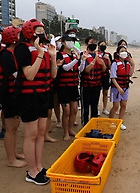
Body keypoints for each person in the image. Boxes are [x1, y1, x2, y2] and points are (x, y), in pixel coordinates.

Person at [14, 19, 57, 185]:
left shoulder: (45, 49)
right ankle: (31, 172)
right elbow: (29, 75)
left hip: (43, 94)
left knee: (40, 132)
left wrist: (52, 57)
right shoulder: (22, 49)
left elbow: (52, 75)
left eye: (42, 30)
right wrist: (40, 54)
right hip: (28, 96)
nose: (41, 33)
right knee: (31, 134)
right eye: (37, 30)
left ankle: (38, 166)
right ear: (29, 32)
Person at [0, 26, 27, 168]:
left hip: (14, 94)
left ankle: (14, 152)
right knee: (10, 128)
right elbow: (14, 74)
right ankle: (11, 159)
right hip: (8, 95)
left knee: (15, 126)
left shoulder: (12, 52)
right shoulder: (6, 55)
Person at [57, 35, 80, 141]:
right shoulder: (60, 55)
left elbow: (80, 68)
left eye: (72, 41)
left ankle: (71, 129)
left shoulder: (74, 54)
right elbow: (65, 68)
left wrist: (81, 59)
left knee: (74, 110)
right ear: (63, 42)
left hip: (74, 86)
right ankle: (65, 132)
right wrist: (76, 59)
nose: (71, 43)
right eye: (69, 41)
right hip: (64, 87)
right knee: (66, 111)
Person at [81, 43, 106, 125]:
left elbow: (103, 70)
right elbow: (86, 70)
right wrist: (94, 60)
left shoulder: (100, 55)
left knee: (94, 106)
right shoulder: (84, 55)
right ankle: (85, 124)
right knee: (86, 107)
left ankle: (94, 124)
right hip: (86, 85)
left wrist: (103, 64)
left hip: (97, 85)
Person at [109, 45, 133, 130]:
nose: (124, 53)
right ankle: (110, 121)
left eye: (125, 51)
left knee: (124, 105)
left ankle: (121, 121)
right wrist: (119, 88)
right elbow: (113, 77)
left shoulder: (127, 63)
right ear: (118, 54)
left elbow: (130, 74)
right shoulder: (115, 63)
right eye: (122, 51)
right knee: (116, 106)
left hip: (125, 87)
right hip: (116, 88)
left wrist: (132, 63)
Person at [97, 40, 112, 116]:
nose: (103, 46)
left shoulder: (108, 54)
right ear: (98, 46)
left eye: (104, 44)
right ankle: (96, 108)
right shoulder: (96, 54)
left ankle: (105, 108)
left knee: (105, 92)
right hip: (98, 75)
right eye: (101, 44)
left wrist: (108, 59)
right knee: (97, 93)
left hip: (106, 75)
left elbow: (110, 65)